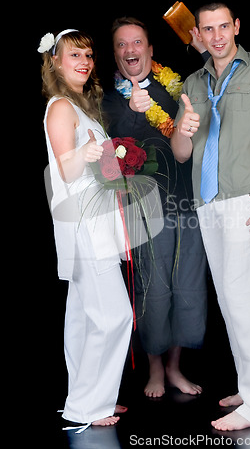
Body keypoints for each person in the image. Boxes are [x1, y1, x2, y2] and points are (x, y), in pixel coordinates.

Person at [171, 3, 250, 431]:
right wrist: (183, 132)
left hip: (246, 201)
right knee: (235, 301)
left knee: (242, 299)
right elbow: (181, 153)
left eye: (223, 26)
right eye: (207, 29)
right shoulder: (193, 81)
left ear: (236, 27)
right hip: (207, 202)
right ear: (200, 34)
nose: (216, 35)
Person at [103, 17, 208, 398]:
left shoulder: (176, 87)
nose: (130, 50)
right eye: (122, 45)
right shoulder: (108, 98)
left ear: (150, 50)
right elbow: (110, 158)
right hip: (143, 207)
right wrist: (132, 108)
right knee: (153, 290)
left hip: (187, 203)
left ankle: (176, 367)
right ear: (116, 54)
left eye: (137, 43)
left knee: (188, 287)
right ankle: (155, 371)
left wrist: (200, 47)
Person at [40, 29, 133, 429]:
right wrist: (87, 153)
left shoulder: (85, 110)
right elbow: (66, 169)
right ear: (56, 61)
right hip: (84, 225)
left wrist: (121, 164)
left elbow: (104, 172)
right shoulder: (61, 107)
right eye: (74, 54)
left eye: (89, 55)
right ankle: (89, 407)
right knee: (114, 316)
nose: (84, 61)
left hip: (96, 219)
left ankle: (84, 396)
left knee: (81, 318)